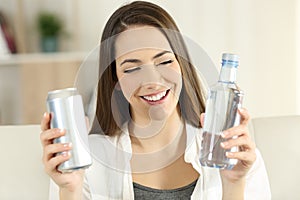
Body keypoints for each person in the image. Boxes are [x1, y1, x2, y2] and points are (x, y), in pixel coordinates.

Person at [40, 1, 271, 199]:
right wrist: (69, 191)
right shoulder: (86, 162)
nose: (152, 80)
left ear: (181, 65)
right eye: (132, 69)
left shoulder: (234, 156)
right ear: (115, 82)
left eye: (164, 61)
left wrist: (234, 184)